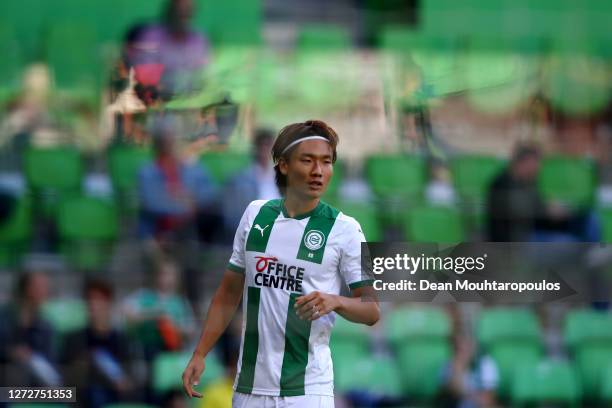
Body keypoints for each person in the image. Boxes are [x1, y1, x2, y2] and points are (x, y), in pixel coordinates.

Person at [181, 119, 380, 408]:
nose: (318, 171)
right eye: (308, 160)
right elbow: (227, 295)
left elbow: (372, 309)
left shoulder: (346, 229)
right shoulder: (255, 215)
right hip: (249, 390)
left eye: (326, 162)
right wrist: (200, 353)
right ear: (283, 165)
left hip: (307, 390)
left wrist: (335, 301)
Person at [487, 143, 599, 242]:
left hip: (535, 230)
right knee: (567, 241)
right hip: (517, 240)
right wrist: (548, 210)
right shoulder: (502, 184)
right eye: (536, 163)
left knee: (588, 219)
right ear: (525, 162)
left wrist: (552, 208)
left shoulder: (527, 182)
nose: (538, 168)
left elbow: (536, 206)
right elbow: (523, 213)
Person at [137, 114, 218, 243]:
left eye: (171, 136)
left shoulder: (189, 167)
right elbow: (153, 204)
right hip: (158, 230)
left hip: (189, 229)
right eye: (164, 137)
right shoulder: (147, 172)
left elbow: (210, 193)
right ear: (157, 142)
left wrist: (182, 197)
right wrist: (187, 203)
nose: (168, 141)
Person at [61, 279, 135, 408]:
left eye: (99, 300)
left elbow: (129, 377)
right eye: (90, 300)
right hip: (82, 394)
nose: (93, 305)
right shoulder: (74, 339)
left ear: (109, 303)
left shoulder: (121, 340)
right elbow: (64, 377)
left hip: (115, 393)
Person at [0, 271, 60, 387]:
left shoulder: (45, 326)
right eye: (40, 287)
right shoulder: (4, 318)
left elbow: (51, 362)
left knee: (68, 395)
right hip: (5, 384)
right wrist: (11, 353)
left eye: (46, 287)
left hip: (34, 386)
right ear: (27, 289)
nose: (45, 292)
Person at [222, 128, 281, 240]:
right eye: (261, 145)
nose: (264, 150)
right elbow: (232, 217)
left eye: (268, 145)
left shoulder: (283, 178)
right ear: (255, 148)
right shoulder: (239, 180)